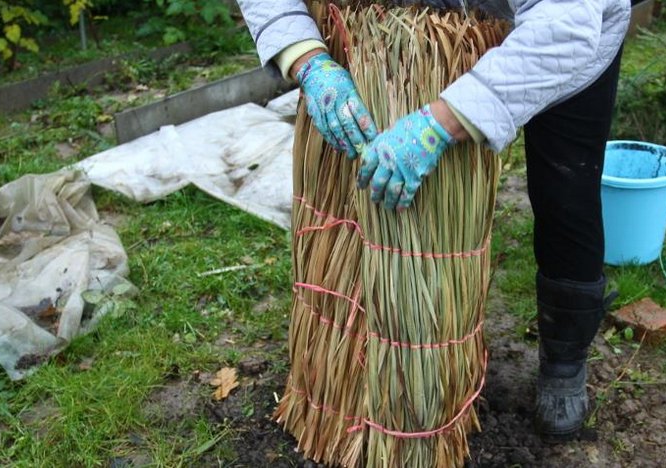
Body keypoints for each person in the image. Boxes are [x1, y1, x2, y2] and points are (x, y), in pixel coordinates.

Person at [237, 0, 631, 441]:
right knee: (380, 194)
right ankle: (357, 360)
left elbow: (566, 27)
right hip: (403, 50)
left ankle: (564, 359)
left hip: (560, 38)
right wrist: (306, 58)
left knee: (566, 192)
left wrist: (441, 124)